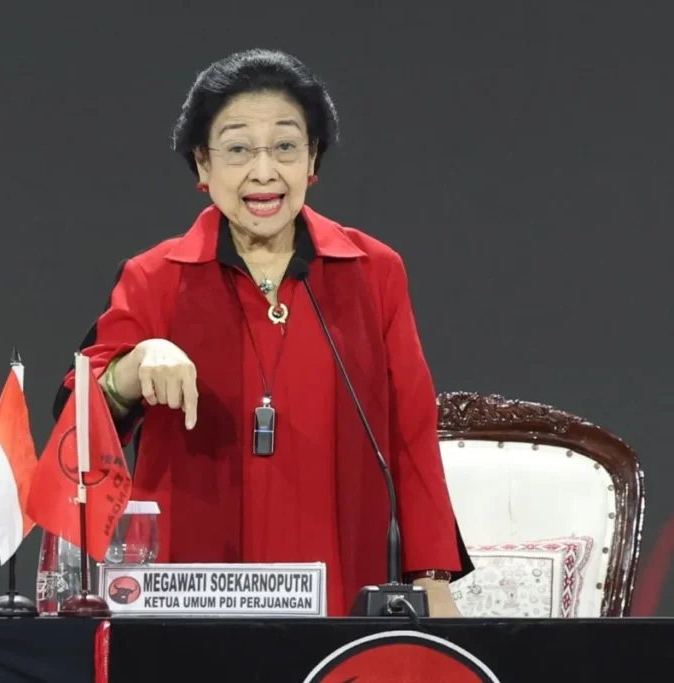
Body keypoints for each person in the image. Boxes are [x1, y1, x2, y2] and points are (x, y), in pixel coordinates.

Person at [51, 48, 473, 617]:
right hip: (189, 594)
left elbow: (411, 435)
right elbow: (74, 422)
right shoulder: (154, 278)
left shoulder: (373, 271)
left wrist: (432, 579)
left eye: (285, 147)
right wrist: (134, 365)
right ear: (203, 164)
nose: (265, 171)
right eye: (238, 149)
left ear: (312, 159)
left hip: (344, 583)